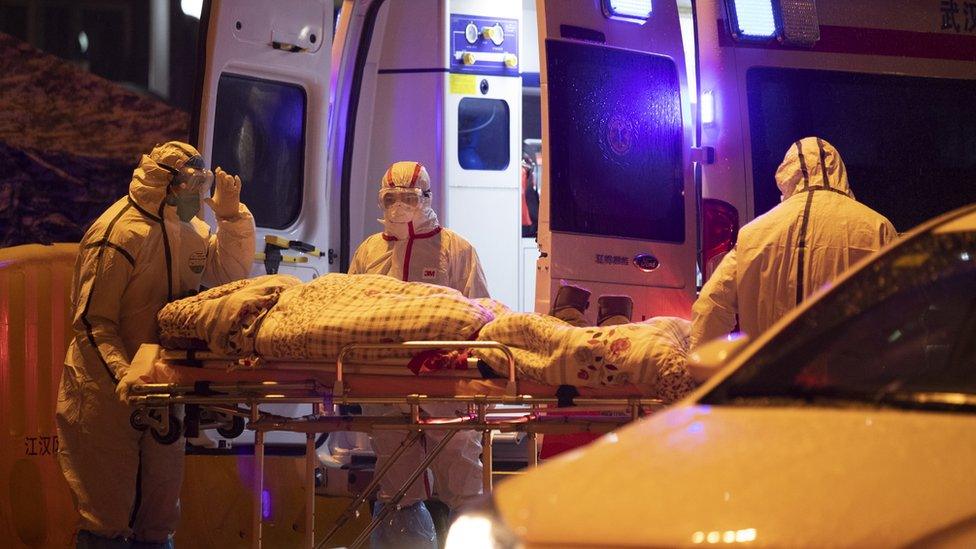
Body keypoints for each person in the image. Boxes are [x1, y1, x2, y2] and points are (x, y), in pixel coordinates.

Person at [56, 141, 255, 548]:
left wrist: (232, 219)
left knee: (159, 512)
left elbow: (228, 270)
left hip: (161, 389)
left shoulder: (191, 231)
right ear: (167, 184)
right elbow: (94, 322)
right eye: (193, 185)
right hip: (106, 391)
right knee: (107, 514)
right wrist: (125, 375)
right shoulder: (117, 233)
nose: (198, 195)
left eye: (204, 185)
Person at [348, 161, 488, 548]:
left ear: (427, 197)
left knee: (461, 474)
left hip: (446, 385)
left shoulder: (456, 250)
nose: (399, 207)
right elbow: (348, 313)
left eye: (408, 198)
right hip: (385, 384)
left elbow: (480, 312)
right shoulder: (369, 252)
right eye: (391, 199)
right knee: (397, 480)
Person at [691, 137, 897, 348]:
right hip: (850, 376)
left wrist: (707, 372)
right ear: (840, 172)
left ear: (787, 174)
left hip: (768, 375)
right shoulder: (877, 228)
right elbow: (901, 309)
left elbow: (711, 306)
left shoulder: (752, 235)